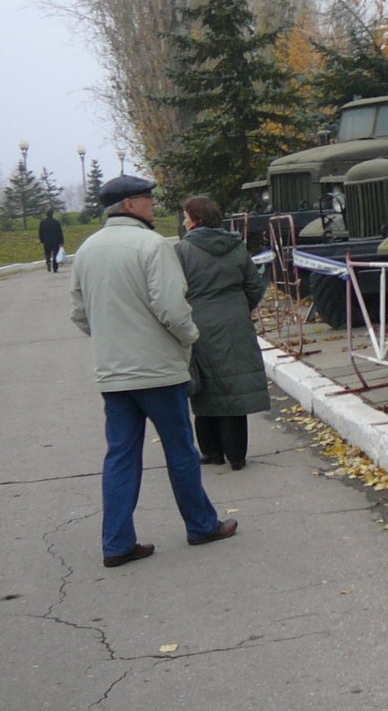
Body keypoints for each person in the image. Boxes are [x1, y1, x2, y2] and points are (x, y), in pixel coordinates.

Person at [69, 175, 237, 568]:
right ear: (129, 205)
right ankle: (201, 525)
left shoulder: (87, 249)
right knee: (181, 450)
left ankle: (117, 543)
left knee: (121, 456)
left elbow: (79, 313)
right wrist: (189, 337)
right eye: (146, 199)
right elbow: (172, 308)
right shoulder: (152, 245)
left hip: (114, 373)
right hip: (159, 371)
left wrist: (110, 337)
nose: (153, 205)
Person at [175, 195, 269, 471]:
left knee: (205, 388)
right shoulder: (236, 246)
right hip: (236, 322)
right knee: (235, 389)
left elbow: (175, 291)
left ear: (195, 221)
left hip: (199, 324)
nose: (183, 221)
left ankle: (212, 451)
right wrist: (239, 309)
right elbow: (254, 285)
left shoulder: (182, 251)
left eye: (185, 217)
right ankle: (237, 455)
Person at [38, 209, 65, 273]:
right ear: (52, 214)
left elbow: (40, 232)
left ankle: (48, 262)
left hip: (46, 241)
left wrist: (42, 240)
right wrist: (61, 241)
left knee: (47, 253)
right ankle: (55, 268)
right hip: (55, 242)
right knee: (55, 254)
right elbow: (59, 232)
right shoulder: (56, 222)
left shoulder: (43, 222)